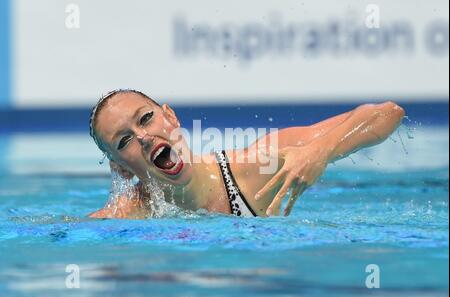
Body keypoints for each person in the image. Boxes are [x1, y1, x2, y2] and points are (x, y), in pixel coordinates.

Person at [88, 89, 405, 218]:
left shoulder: (255, 167)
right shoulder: (127, 217)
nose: (143, 137)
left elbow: (386, 114)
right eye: (124, 141)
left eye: (146, 119)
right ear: (121, 170)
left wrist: (319, 150)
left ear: (170, 117)